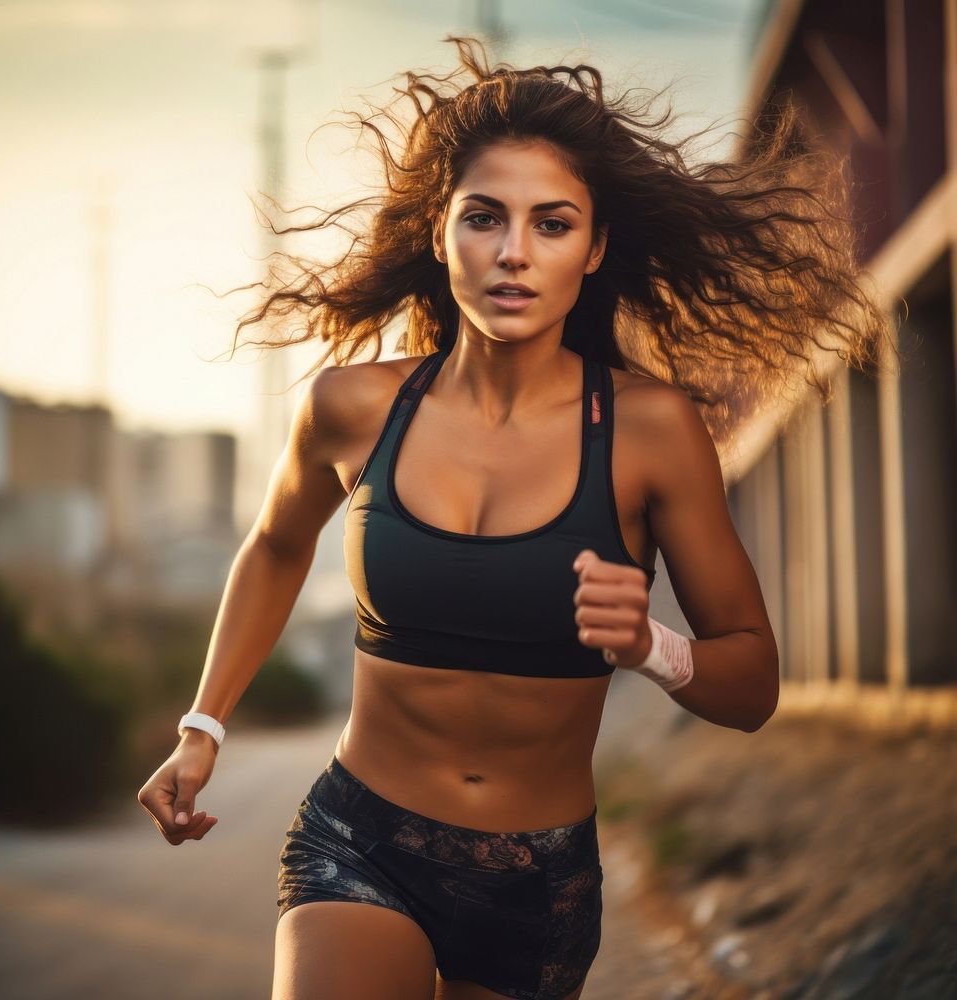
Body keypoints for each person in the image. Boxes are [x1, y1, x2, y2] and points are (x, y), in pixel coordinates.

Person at [137, 36, 889, 1000]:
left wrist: (651, 646)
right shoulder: (351, 409)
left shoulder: (649, 430)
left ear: (595, 246)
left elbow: (753, 683)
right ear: (439, 232)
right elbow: (276, 547)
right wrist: (202, 725)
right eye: (484, 218)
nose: (515, 253)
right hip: (357, 841)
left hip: (536, 882)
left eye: (553, 223)